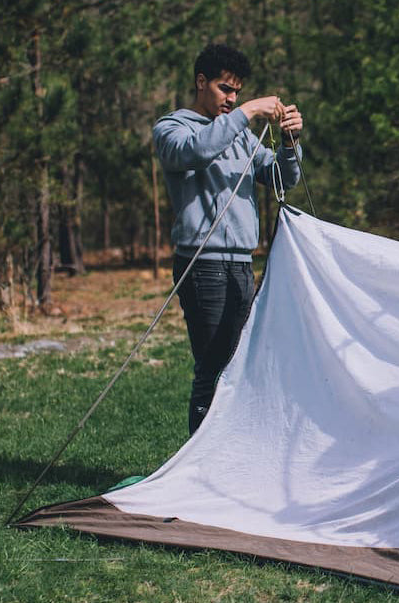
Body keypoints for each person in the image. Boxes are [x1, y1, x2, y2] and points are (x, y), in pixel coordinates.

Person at [153, 44, 305, 434]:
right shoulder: (172, 128)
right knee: (213, 369)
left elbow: (280, 179)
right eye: (225, 89)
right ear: (201, 83)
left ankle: (229, 458)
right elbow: (196, 151)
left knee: (239, 367)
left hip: (241, 265)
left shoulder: (239, 134)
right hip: (202, 265)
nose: (232, 99)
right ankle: (200, 465)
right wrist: (249, 111)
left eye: (237, 92)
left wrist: (289, 144)